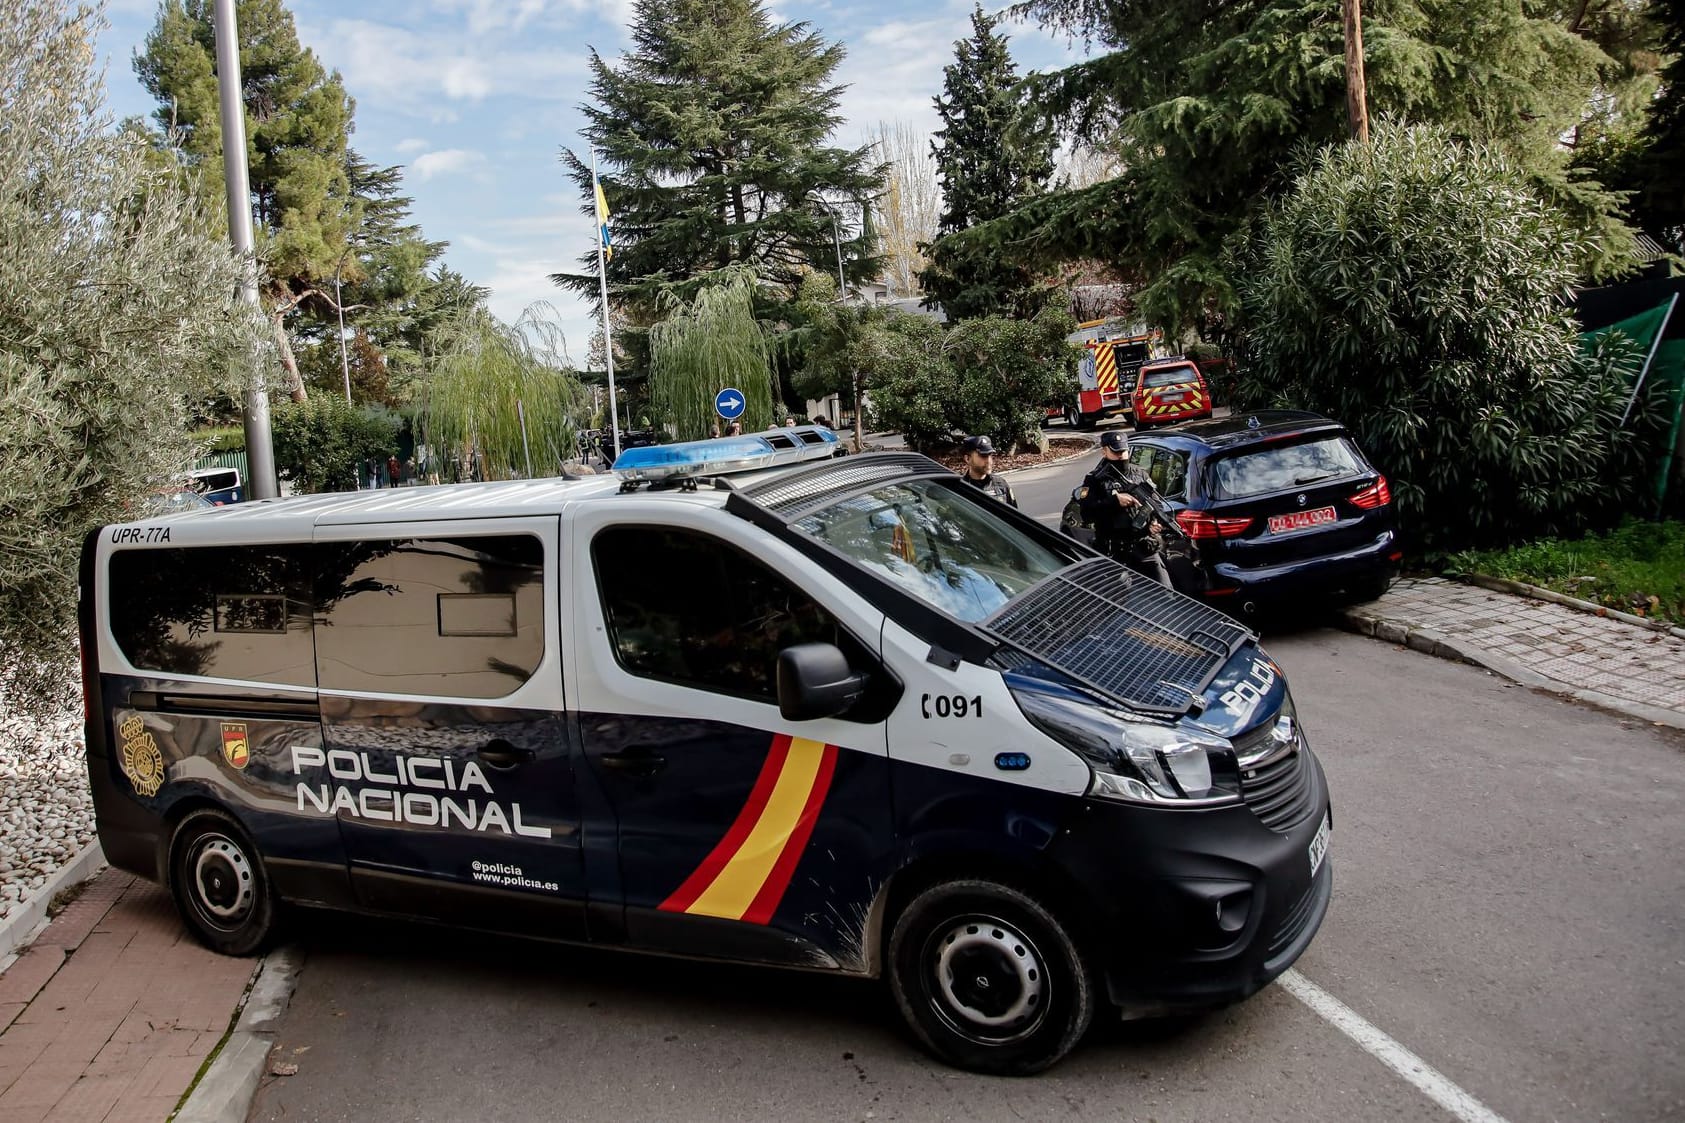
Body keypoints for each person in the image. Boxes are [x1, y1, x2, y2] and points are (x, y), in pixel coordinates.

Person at [1077, 430, 1171, 587]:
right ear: (1104, 451)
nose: (1121, 455)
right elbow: (1086, 513)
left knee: (1167, 594)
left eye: (1123, 450)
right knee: (1117, 602)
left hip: (1143, 547)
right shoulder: (1094, 480)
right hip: (1114, 552)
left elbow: (1157, 505)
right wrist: (1114, 501)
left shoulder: (1140, 475)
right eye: (1116, 451)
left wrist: (1155, 523)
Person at [956, 435, 1018, 508]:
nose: (989, 461)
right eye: (983, 456)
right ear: (967, 459)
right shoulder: (959, 488)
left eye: (990, 455)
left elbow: (1013, 516)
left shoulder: (1001, 485)